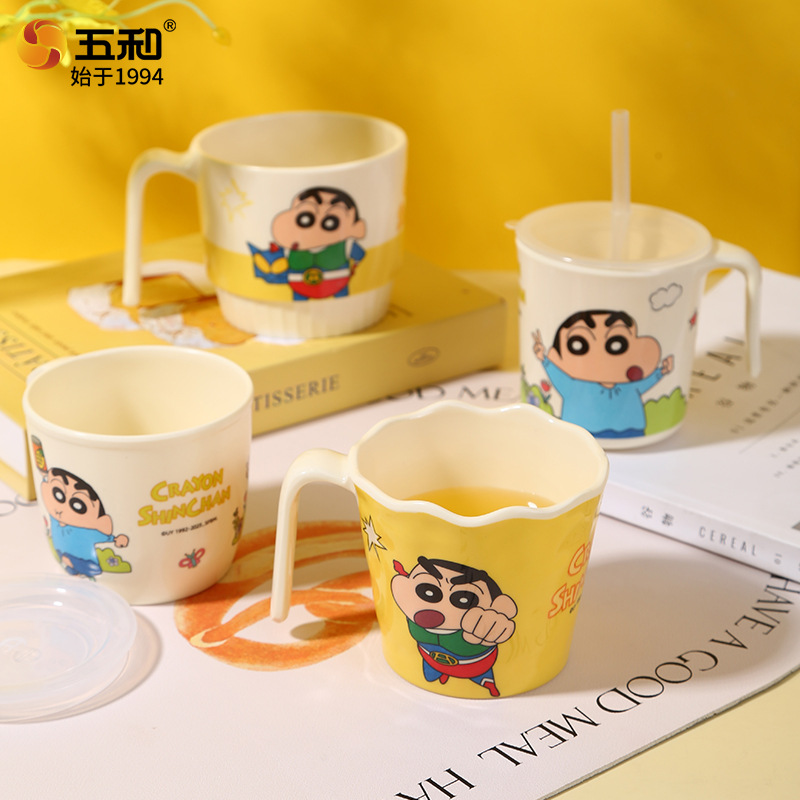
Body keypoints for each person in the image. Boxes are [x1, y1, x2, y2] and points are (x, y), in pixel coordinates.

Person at [533, 309, 673, 439]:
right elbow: (558, 376)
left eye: (618, 343)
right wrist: (544, 359)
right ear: (557, 355)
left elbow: (645, 383)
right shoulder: (574, 386)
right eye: (579, 345)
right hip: (578, 433)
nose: (600, 358)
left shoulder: (629, 387)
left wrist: (661, 372)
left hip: (629, 429)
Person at [391, 556, 517, 697]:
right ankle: (441, 675)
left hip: (476, 667)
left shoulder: (479, 629)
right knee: (431, 672)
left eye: (464, 599)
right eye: (428, 592)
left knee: (483, 678)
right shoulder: (414, 613)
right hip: (429, 661)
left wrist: (492, 627)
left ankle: (488, 685)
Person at [248, 186, 366, 300]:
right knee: (299, 299)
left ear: (356, 228)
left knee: (342, 299)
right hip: (299, 285)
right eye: (305, 218)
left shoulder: (346, 245)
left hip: (337, 282)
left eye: (331, 222)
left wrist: (354, 268)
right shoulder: (289, 248)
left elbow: (359, 255)